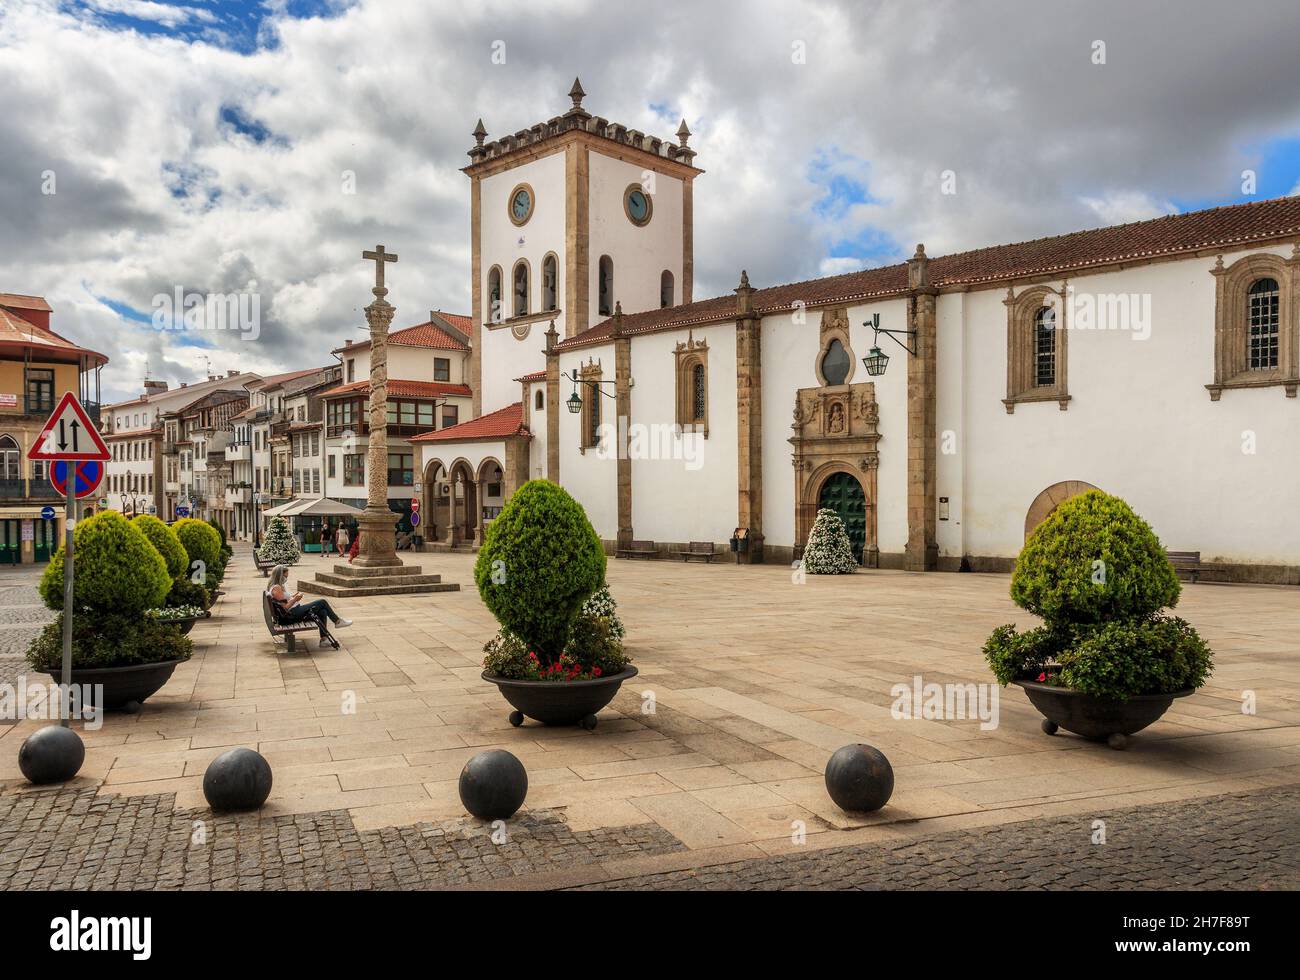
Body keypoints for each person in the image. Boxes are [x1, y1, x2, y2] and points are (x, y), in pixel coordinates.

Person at [265, 565, 351, 646]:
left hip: (293, 611)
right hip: (291, 615)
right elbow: (285, 608)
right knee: (322, 602)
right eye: (285, 576)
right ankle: (337, 621)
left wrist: (293, 597)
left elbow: (284, 602)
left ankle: (324, 640)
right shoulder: (276, 588)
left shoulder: (277, 586)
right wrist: (295, 599)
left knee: (323, 612)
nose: (286, 578)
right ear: (280, 575)